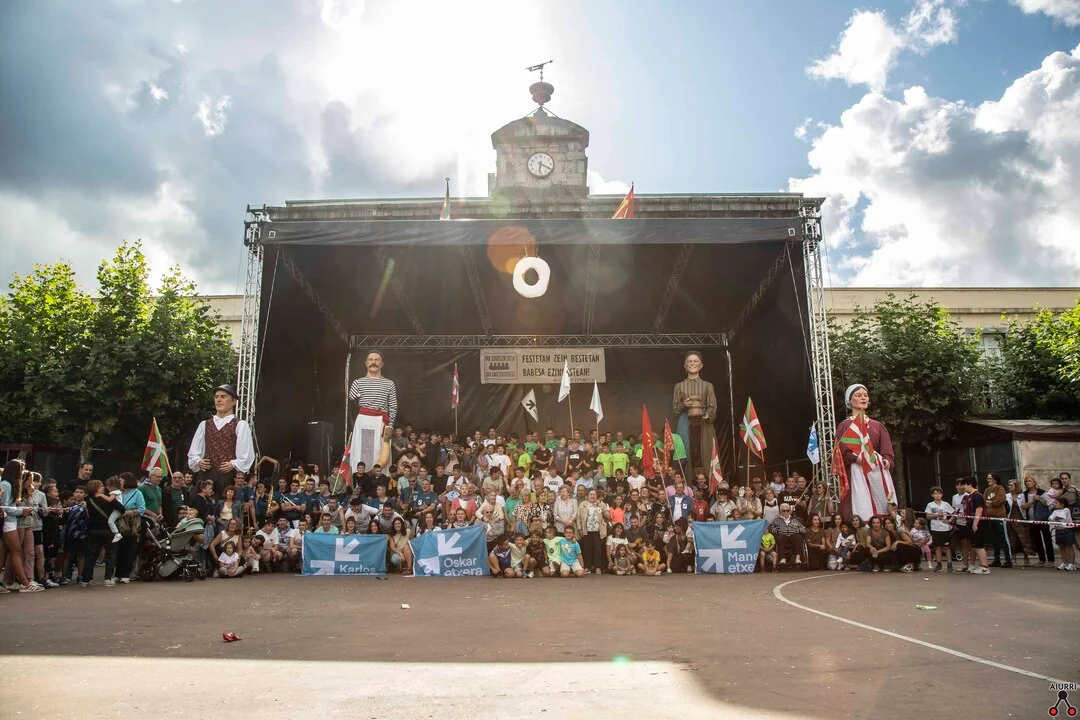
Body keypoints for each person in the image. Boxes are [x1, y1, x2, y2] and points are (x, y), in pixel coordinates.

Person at [836, 384, 896, 521]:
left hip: (876, 469)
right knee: (860, 501)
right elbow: (841, 452)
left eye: (865, 395)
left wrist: (887, 460)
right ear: (849, 401)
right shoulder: (845, 426)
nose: (863, 398)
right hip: (856, 471)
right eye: (858, 395)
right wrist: (855, 459)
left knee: (881, 500)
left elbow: (887, 449)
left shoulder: (877, 425)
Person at [187, 384, 255, 497]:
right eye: (216, 397)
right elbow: (193, 453)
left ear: (233, 401)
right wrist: (198, 461)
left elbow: (246, 456)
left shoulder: (240, 425)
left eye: (223, 396)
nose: (218, 400)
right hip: (205, 476)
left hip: (227, 478)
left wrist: (233, 464)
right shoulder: (204, 425)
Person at [348, 350, 398, 477]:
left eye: (377, 360)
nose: (373, 362)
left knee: (379, 451)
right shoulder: (358, 382)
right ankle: (359, 479)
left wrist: (390, 426)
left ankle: (378, 481)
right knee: (361, 451)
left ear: (382, 363)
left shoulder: (389, 383)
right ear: (366, 363)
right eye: (370, 359)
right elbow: (351, 398)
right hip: (363, 420)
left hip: (380, 421)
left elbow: (393, 406)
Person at [672, 351, 718, 479]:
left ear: (701, 365)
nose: (692, 363)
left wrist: (707, 415)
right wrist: (684, 404)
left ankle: (708, 483)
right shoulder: (679, 386)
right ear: (685, 365)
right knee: (686, 450)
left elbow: (712, 406)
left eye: (695, 361)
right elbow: (675, 409)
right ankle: (687, 482)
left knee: (705, 451)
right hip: (685, 422)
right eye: (689, 361)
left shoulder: (708, 385)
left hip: (703, 422)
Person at [924, 486, 955, 572]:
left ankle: (949, 564)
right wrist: (937, 515)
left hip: (944, 529)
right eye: (935, 493)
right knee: (937, 547)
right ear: (932, 495)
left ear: (942, 494)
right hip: (935, 528)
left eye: (939, 493)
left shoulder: (945, 504)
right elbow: (928, 516)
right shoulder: (930, 505)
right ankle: (939, 563)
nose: (937, 495)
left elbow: (954, 513)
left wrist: (949, 521)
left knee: (947, 547)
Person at [1048, 496, 1076, 571]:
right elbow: (1050, 518)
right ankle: (1064, 562)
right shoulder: (1055, 511)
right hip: (1058, 531)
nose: (1055, 504)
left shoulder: (1066, 510)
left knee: (1069, 547)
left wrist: (1055, 517)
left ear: (1062, 504)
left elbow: (1062, 517)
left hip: (1066, 530)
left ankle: (1072, 564)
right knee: (1061, 547)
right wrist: (1054, 517)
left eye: (1056, 503)